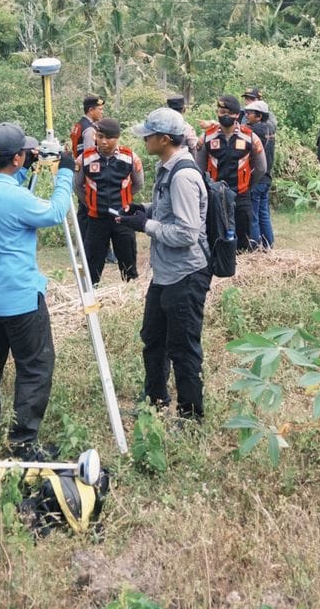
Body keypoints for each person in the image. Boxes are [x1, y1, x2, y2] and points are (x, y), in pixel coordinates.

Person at [0, 123, 76, 458]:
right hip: (19, 298)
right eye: (23, 153)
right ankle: (23, 442)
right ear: (14, 158)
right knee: (35, 365)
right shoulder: (15, 197)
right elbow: (56, 212)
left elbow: (7, 192)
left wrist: (23, 167)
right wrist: (66, 172)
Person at [120, 107, 211, 421]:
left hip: (185, 273)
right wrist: (142, 209)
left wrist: (146, 226)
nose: (144, 140)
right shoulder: (167, 168)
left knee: (182, 347)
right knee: (153, 338)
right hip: (165, 272)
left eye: (148, 135)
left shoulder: (183, 175)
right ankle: (154, 401)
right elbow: (167, 210)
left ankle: (190, 415)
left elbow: (186, 232)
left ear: (163, 139)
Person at [76, 118, 144, 283]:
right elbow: (78, 187)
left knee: (128, 264)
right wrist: (91, 203)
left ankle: (129, 298)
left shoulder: (130, 158)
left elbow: (138, 184)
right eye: (100, 136)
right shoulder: (84, 159)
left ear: (118, 137)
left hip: (123, 219)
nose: (103, 141)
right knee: (92, 265)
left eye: (109, 137)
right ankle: (91, 299)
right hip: (96, 220)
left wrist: (124, 200)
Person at [200, 94, 267, 251]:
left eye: (230, 113)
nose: (226, 116)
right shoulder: (206, 138)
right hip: (215, 197)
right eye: (222, 112)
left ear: (237, 115)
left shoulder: (250, 137)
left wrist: (248, 185)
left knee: (243, 239)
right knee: (215, 238)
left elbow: (261, 168)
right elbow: (199, 169)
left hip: (241, 195)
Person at [243, 99, 277, 250]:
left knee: (254, 216)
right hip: (267, 177)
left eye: (249, 113)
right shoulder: (270, 129)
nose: (247, 116)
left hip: (256, 178)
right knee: (264, 215)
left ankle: (255, 247)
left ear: (259, 116)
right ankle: (269, 245)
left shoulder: (254, 131)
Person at [70, 95, 106, 159]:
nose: (102, 112)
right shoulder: (89, 130)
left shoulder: (79, 124)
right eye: (100, 109)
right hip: (86, 166)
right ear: (91, 110)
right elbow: (90, 156)